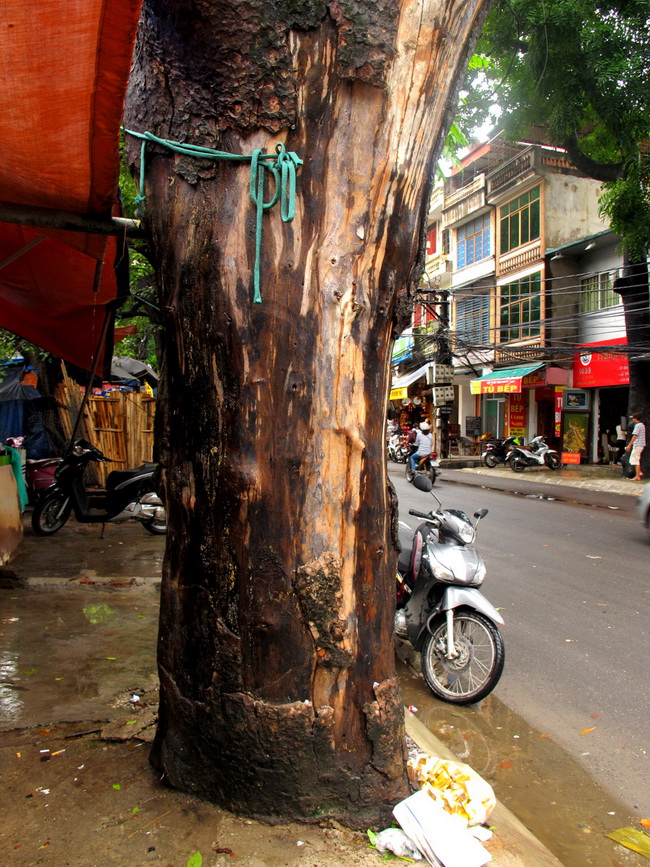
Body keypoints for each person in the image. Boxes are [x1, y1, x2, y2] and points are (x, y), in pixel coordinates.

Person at [625, 412, 646, 481]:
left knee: (635, 460)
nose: (632, 420)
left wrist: (629, 445)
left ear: (635, 418)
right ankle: (639, 472)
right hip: (641, 444)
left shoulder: (637, 426)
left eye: (633, 418)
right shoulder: (642, 425)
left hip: (637, 444)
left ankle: (637, 476)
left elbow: (635, 435)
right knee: (633, 459)